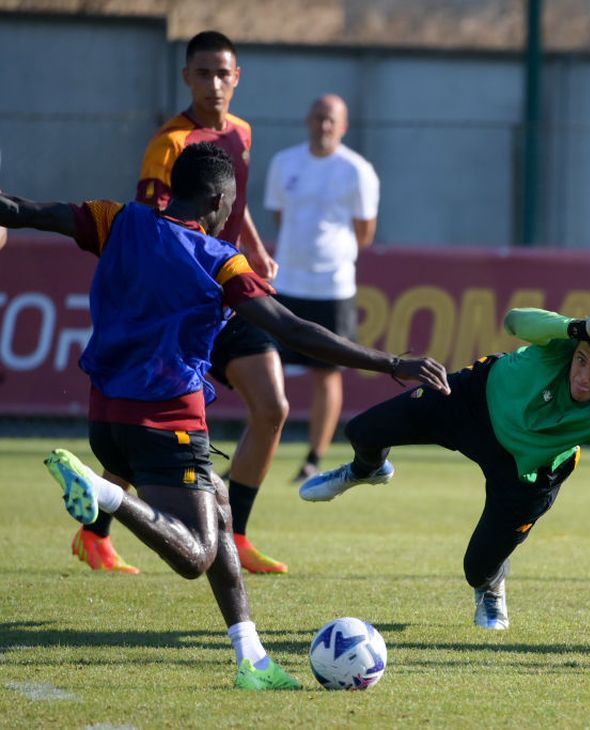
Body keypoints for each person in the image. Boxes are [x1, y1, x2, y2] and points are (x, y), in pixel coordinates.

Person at [0, 142, 449, 688]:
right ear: (217, 199)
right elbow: (294, 330)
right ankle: (104, 494)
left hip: (106, 419)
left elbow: (28, 211)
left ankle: (252, 658)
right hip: (166, 423)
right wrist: (391, 362)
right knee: (195, 553)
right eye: (231, 203)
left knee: (218, 502)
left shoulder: (116, 220)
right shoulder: (218, 260)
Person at [299, 305, 590, 630]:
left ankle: (492, 584)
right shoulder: (564, 342)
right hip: (471, 401)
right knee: (363, 430)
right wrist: (575, 328)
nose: (583, 376)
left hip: (526, 471)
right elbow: (514, 321)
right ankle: (367, 469)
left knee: (475, 569)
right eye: (582, 360)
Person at [71, 30, 292, 575]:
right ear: (186, 76)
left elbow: (231, 205)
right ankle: (95, 530)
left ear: (237, 77)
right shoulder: (169, 144)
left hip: (229, 288)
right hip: (185, 303)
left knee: (274, 407)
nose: (214, 83)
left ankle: (234, 533)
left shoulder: (241, 132)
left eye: (224, 73)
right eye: (203, 73)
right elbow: (156, 231)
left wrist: (257, 249)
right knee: (143, 423)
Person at [264, 94, 380, 483]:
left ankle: (313, 457)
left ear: (343, 126)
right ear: (307, 120)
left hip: (332, 286)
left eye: (332, 120)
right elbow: (280, 216)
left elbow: (364, 233)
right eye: (318, 118)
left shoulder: (357, 170)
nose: (324, 125)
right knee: (264, 368)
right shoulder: (284, 163)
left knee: (325, 372)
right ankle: (259, 450)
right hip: (287, 283)